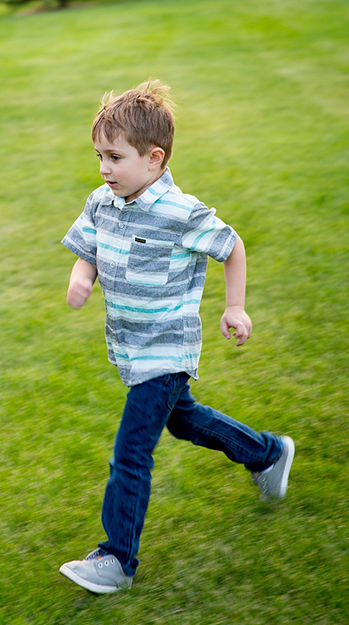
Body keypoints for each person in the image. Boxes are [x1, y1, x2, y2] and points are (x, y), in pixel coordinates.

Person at [59, 79, 294, 594]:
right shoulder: (102, 202)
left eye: (115, 158)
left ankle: (116, 558)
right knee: (184, 421)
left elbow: (231, 246)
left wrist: (235, 306)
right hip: (131, 344)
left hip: (166, 349)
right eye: (99, 157)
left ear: (154, 159)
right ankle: (268, 454)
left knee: (131, 453)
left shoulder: (180, 212)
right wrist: (81, 276)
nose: (103, 169)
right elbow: (87, 250)